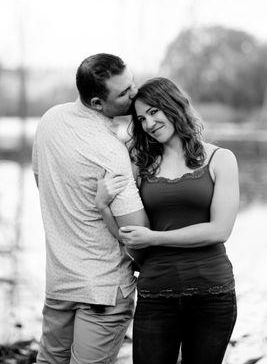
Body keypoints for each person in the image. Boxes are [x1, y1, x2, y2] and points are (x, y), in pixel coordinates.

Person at [96, 77, 239, 364]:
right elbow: (130, 237)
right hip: (156, 294)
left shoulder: (221, 159)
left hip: (212, 294)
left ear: (173, 106)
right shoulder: (140, 165)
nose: (148, 123)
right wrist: (102, 206)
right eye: (141, 118)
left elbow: (219, 230)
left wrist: (156, 238)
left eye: (153, 112)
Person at [32, 53, 149, 364]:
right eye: (124, 92)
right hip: (104, 289)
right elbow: (137, 233)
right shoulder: (111, 152)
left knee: (49, 361)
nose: (135, 93)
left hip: (60, 281)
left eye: (132, 83)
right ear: (98, 103)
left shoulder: (49, 120)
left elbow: (42, 183)